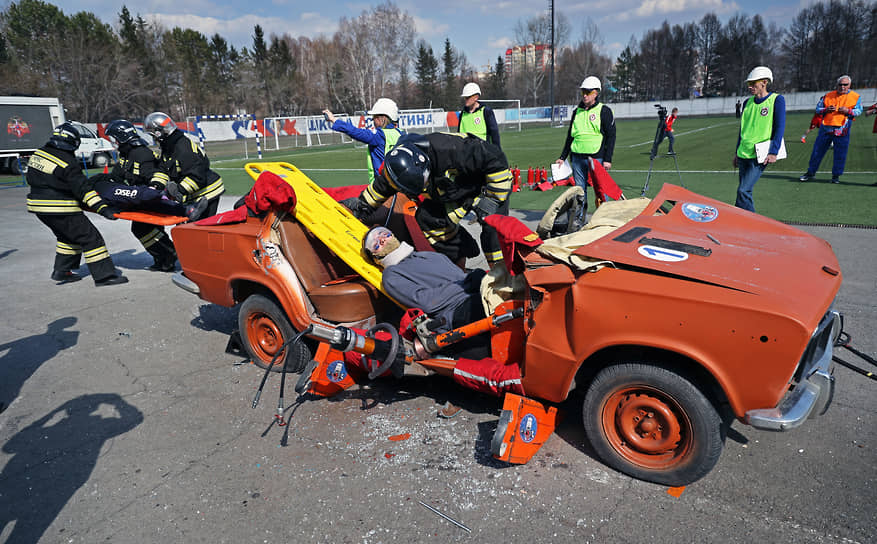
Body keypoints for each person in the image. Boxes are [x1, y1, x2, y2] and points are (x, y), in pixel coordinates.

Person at [363, 226, 523, 395]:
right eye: (375, 245)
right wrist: (467, 283)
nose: (381, 239)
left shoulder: (429, 256)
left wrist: (469, 281)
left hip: (477, 295)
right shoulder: (391, 275)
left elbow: (462, 279)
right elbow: (428, 302)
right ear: (376, 257)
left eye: (384, 234)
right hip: (455, 313)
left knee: (518, 279)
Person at [344, 132, 512, 267]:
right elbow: (380, 187)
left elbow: (496, 159)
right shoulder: (398, 165)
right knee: (427, 220)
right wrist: (361, 206)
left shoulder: (452, 150)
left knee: (493, 229)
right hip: (451, 191)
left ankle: (504, 279)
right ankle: (459, 264)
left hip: (487, 185)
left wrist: (493, 199)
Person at [25, 123, 128, 286]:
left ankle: (62, 271)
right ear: (73, 142)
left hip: (38, 207)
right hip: (60, 208)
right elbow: (83, 190)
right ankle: (104, 276)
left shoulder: (39, 153)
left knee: (67, 237)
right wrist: (104, 209)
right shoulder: (67, 161)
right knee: (90, 238)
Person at [100, 119, 206, 272]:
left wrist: (153, 188)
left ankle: (169, 255)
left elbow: (155, 175)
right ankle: (165, 257)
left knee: (142, 228)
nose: (114, 142)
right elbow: (118, 174)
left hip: (149, 197)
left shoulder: (141, 153)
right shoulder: (126, 153)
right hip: (139, 198)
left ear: (122, 137)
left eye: (115, 138)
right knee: (142, 229)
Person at [555, 75, 616, 223]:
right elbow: (570, 136)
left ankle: (605, 220)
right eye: (583, 91)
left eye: (588, 92)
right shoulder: (577, 112)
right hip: (576, 157)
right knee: (579, 191)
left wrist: (607, 159)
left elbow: (611, 136)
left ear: (596, 93)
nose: (584, 95)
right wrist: (563, 157)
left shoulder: (604, 111)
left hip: (596, 157)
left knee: (600, 190)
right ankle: (578, 221)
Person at [143, 111, 225, 215]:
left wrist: (178, 191)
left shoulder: (183, 148)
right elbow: (162, 170)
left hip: (207, 193)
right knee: (185, 228)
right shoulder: (168, 147)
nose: (154, 139)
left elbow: (197, 176)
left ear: (159, 133)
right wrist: (154, 186)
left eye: (153, 135)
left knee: (198, 229)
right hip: (191, 194)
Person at [733, 66, 786, 212]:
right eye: (749, 84)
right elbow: (742, 129)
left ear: (764, 82)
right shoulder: (747, 103)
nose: (750, 87)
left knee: (743, 190)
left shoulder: (777, 100)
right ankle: (739, 220)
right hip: (743, 153)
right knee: (744, 191)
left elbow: (779, 128)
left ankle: (752, 225)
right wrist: (736, 152)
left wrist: (773, 152)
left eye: (753, 83)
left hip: (760, 155)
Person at [323, 98, 405, 185]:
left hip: (382, 186)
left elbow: (355, 132)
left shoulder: (379, 135)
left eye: (374, 117)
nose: (373, 120)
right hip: (399, 183)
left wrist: (334, 120)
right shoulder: (401, 133)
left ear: (383, 118)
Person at [799, 75, 862, 184]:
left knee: (840, 154)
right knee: (817, 152)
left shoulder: (855, 97)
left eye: (845, 84)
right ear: (837, 85)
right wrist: (826, 109)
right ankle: (810, 173)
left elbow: (859, 111)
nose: (842, 87)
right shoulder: (828, 95)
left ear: (849, 85)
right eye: (840, 84)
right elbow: (818, 109)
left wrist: (848, 111)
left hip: (842, 130)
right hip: (826, 129)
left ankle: (836, 176)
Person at [457, 82, 501, 148]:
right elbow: (458, 135)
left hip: (482, 153)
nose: (466, 99)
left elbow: (494, 133)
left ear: (476, 97)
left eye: (468, 97)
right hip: (466, 154)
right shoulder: (462, 114)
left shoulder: (486, 111)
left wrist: (497, 151)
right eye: (465, 97)